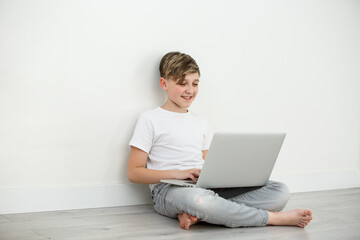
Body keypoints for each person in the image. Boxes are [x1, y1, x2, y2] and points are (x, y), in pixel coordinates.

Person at [127, 51, 312, 230]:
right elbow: (134, 173)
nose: (190, 90)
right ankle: (272, 219)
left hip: (203, 186)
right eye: (183, 84)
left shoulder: (200, 121)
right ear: (164, 83)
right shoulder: (150, 119)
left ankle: (200, 215)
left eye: (195, 83)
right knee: (199, 200)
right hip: (168, 190)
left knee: (280, 191)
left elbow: (210, 164)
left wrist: (233, 176)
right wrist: (177, 174)